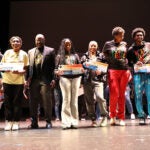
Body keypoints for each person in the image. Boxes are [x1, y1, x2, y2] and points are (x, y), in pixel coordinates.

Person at [102, 27, 131, 126]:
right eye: (120, 35)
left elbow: (127, 59)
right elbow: (103, 58)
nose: (122, 37)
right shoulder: (108, 44)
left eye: (123, 35)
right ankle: (113, 116)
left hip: (124, 71)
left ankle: (122, 118)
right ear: (115, 35)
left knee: (122, 95)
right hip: (113, 70)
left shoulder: (124, 44)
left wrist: (129, 71)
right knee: (114, 94)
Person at [27, 34, 55, 129]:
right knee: (33, 102)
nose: (39, 42)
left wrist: (54, 79)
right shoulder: (30, 51)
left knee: (47, 101)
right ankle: (34, 122)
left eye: (41, 40)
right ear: (35, 41)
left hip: (45, 79)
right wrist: (27, 79)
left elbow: (53, 67)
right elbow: (29, 67)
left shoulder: (50, 51)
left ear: (44, 40)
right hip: (33, 79)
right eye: (37, 40)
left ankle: (48, 122)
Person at [1, 36, 29, 131]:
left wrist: (20, 72)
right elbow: (2, 67)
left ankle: (16, 122)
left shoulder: (24, 54)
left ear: (21, 44)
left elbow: (25, 69)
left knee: (17, 103)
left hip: (18, 82)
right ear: (11, 43)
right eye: (14, 41)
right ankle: (9, 122)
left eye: (18, 41)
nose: (16, 43)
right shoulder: (7, 53)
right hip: (7, 81)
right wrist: (6, 69)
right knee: (8, 103)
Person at [55, 38, 82, 130]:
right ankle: (66, 122)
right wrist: (57, 72)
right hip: (64, 79)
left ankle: (74, 122)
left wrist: (82, 70)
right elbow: (55, 69)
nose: (68, 46)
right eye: (66, 44)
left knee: (74, 101)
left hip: (76, 79)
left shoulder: (76, 56)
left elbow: (81, 68)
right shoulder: (59, 56)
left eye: (69, 44)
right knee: (66, 100)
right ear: (63, 45)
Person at [81, 41, 108, 127]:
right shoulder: (84, 57)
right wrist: (83, 68)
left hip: (98, 80)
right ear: (89, 47)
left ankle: (104, 117)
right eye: (91, 45)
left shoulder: (101, 56)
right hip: (87, 81)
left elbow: (106, 67)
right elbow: (80, 67)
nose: (93, 47)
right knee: (89, 101)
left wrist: (102, 71)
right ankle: (93, 119)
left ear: (97, 47)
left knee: (100, 97)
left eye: (95, 46)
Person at [127, 27, 150, 125]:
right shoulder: (131, 49)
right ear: (134, 37)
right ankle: (141, 116)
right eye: (137, 35)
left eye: (141, 35)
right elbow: (128, 63)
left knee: (149, 95)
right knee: (138, 95)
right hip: (137, 75)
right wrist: (135, 65)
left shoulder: (149, 46)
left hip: (148, 74)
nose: (140, 36)